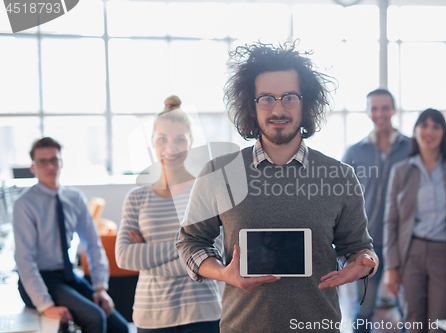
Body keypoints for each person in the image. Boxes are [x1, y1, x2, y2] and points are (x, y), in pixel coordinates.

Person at [176, 41, 379, 333]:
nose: (278, 109)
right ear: (251, 104)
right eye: (267, 98)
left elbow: (360, 248)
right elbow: (189, 241)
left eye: (290, 97)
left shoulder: (340, 176)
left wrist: (366, 262)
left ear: (306, 102)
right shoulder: (218, 173)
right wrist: (223, 273)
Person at [115, 103, 222, 333]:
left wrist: (148, 261)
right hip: (151, 315)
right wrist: (191, 249)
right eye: (162, 139)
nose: (170, 147)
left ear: (191, 142)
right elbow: (124, 256)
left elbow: (217, 253)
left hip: (202, 312)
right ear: (152, 141)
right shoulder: (136, 198)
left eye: (180, 139)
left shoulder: (206, 190)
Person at [13, 137, 128, 333]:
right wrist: (45, 305)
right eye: (42, 161)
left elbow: (93, 245)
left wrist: (100, 287)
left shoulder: (74, 198)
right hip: (40, 279)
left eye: (54, 160)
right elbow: (25, 261)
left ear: (61, 162)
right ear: (33, 167)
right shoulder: (25, 204)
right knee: (95, 318)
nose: (50, 166)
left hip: (68, 276)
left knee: (120, 327)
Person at [383, 109, 446, 333]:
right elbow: (391, 220)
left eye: (436, 126)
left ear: (444, 132)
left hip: (445, 254)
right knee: (414, 322)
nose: (429, 131)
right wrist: (391, 266)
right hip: (410, 254)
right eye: (423, 125)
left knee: (441, 325)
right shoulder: (401, 170)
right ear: (415, 131)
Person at [342, 89, 410, 332]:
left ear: (393, 109)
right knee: (364, 308)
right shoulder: (354, 152)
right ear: (368, 111)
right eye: (374, 108)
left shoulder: (411, 147)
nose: (379, 113)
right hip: (364, 244)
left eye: (384, 107)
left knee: (407, 310)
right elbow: (343, 198)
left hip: (402, 243)